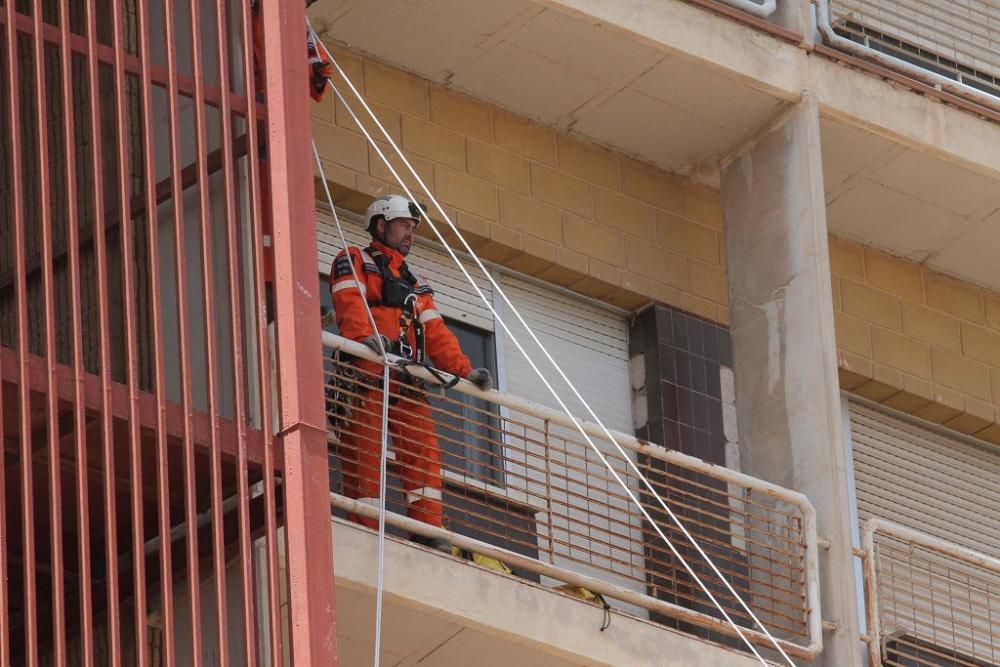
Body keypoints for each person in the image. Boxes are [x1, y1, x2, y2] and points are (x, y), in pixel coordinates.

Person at [329, 195, 493, 553]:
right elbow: (349, 302)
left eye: (413, 228)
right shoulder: (354, 259)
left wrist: (465, 370)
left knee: (423, 453)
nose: (410, 234)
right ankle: (364, 526)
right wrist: (361, 340)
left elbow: (435, 334)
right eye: (405, 226)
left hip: (407, 379)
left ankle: (426, 528)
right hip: (365, 374)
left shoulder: (416, 283)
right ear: (382, 226)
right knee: (364, 453)